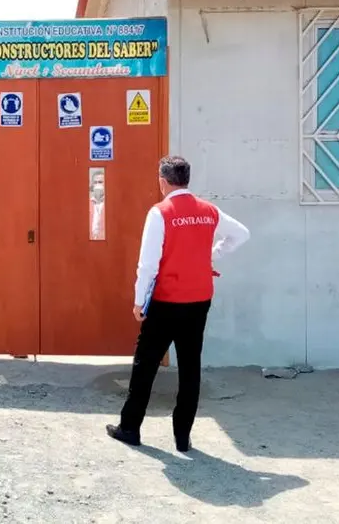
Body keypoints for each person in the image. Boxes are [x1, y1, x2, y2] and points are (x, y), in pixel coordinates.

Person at [107, 156, 250, 452]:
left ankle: (130, 427)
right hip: (199, 299)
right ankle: (182, 436)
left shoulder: (161, 212)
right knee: (190, 366)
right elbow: (241, 234)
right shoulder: (208, 210)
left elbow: (147, 264)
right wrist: (210, 256)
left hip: (166, 300)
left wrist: (138, 301)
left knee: (145, 364)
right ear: (187, 179)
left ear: (163, 181)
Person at [89, 170, 106, 240]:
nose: (97, 185)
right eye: (95, 182)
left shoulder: (112, 204)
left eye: (100, 182)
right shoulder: (88, 203)